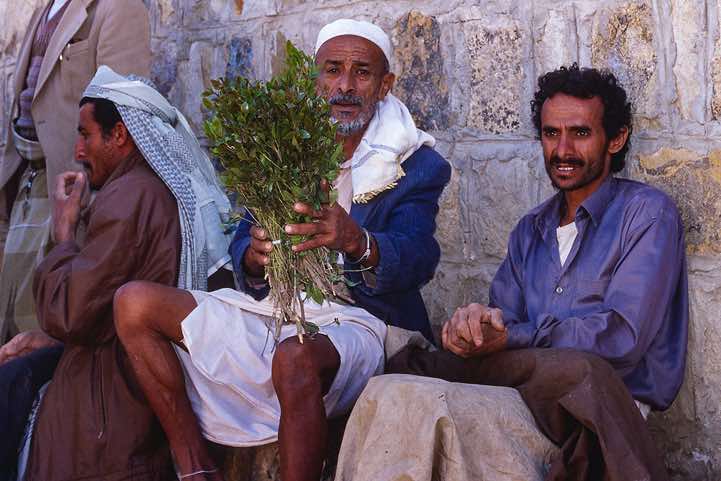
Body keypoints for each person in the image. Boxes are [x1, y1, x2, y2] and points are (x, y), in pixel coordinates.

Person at [113, 19, 451, 481]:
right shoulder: (282, 145)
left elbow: (418, 257)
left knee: (295, 356)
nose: (345, 86)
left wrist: (356, 240)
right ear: (315, 79)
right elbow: (244, 244)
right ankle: (195, 468)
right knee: (133, 303)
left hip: (362, 319)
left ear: (385, 84)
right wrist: (254, 255)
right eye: (332, 70)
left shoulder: (417, 165)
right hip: (277, 310)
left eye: (362, 73)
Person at [336, 65, 688, 481]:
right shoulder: (530, 230)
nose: (562, 150)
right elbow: (503, 326)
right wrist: (473, 331)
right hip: (523, 393)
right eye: (551, 133)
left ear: (616, 138)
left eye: (579, 133)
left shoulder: (646, 215)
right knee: (386, 388)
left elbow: (622, 338)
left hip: (597, 408)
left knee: (422, 404)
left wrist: (515, 336)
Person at [0, 66, 232, 481]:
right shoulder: (141, 189)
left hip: (107, 410)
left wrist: (64, 232)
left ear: (120, 135)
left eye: (86, 135)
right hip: (123, 397)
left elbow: (73, 310)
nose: (78, 150)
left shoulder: (130, 196)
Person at [0, 0, 151, 343]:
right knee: (10, 333)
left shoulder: (120, 9)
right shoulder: (45, 9)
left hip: (73, 198)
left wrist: (91, 208)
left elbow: (124, 123)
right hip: (25, 186)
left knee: (39, 339)